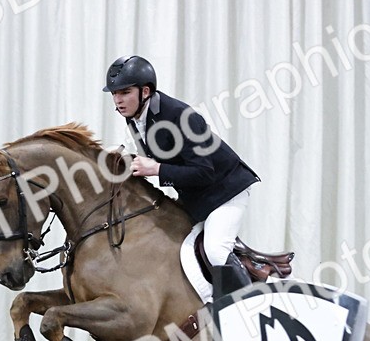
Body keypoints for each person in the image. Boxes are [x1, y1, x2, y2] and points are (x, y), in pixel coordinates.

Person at [103, 55, 259, 302]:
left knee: (216, 251)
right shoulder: (135, 118)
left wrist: (156, 169)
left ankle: (245, 308)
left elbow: (204, 171)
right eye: (114, 94)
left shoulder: (180, 116)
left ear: (145, 91)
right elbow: (132, 150)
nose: (118, 100)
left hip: (226, 192)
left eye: (124, 92)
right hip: (197, 196)